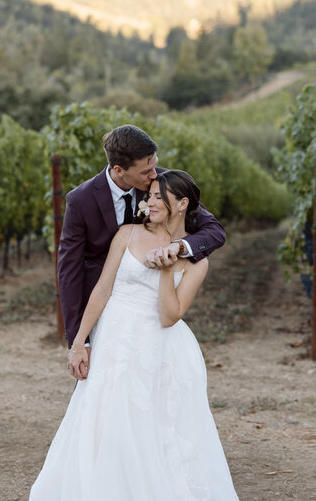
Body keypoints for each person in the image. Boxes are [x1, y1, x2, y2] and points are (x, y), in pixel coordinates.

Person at [30, 170, 240, 500]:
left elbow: (170, 316)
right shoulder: (127, 234)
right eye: (150, 196)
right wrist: (79, 342)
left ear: (182, 204)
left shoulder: (196, 260)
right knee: (103, 421)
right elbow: (102, 290)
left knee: (156, 429)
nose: (150, 202)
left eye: (159, 197)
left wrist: (169, 267)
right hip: (113, 344)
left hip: (161, 350)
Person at [57, 124, 226, 377]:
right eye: (146, 171)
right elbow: (69, 273)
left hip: (153, 309)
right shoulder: (80, 200)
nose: (154, 175)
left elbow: (215, 232)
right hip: (103, 310)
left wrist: (178, 248)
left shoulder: (161, 186)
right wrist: (79, 341)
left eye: (154, 165)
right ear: (119, 171)